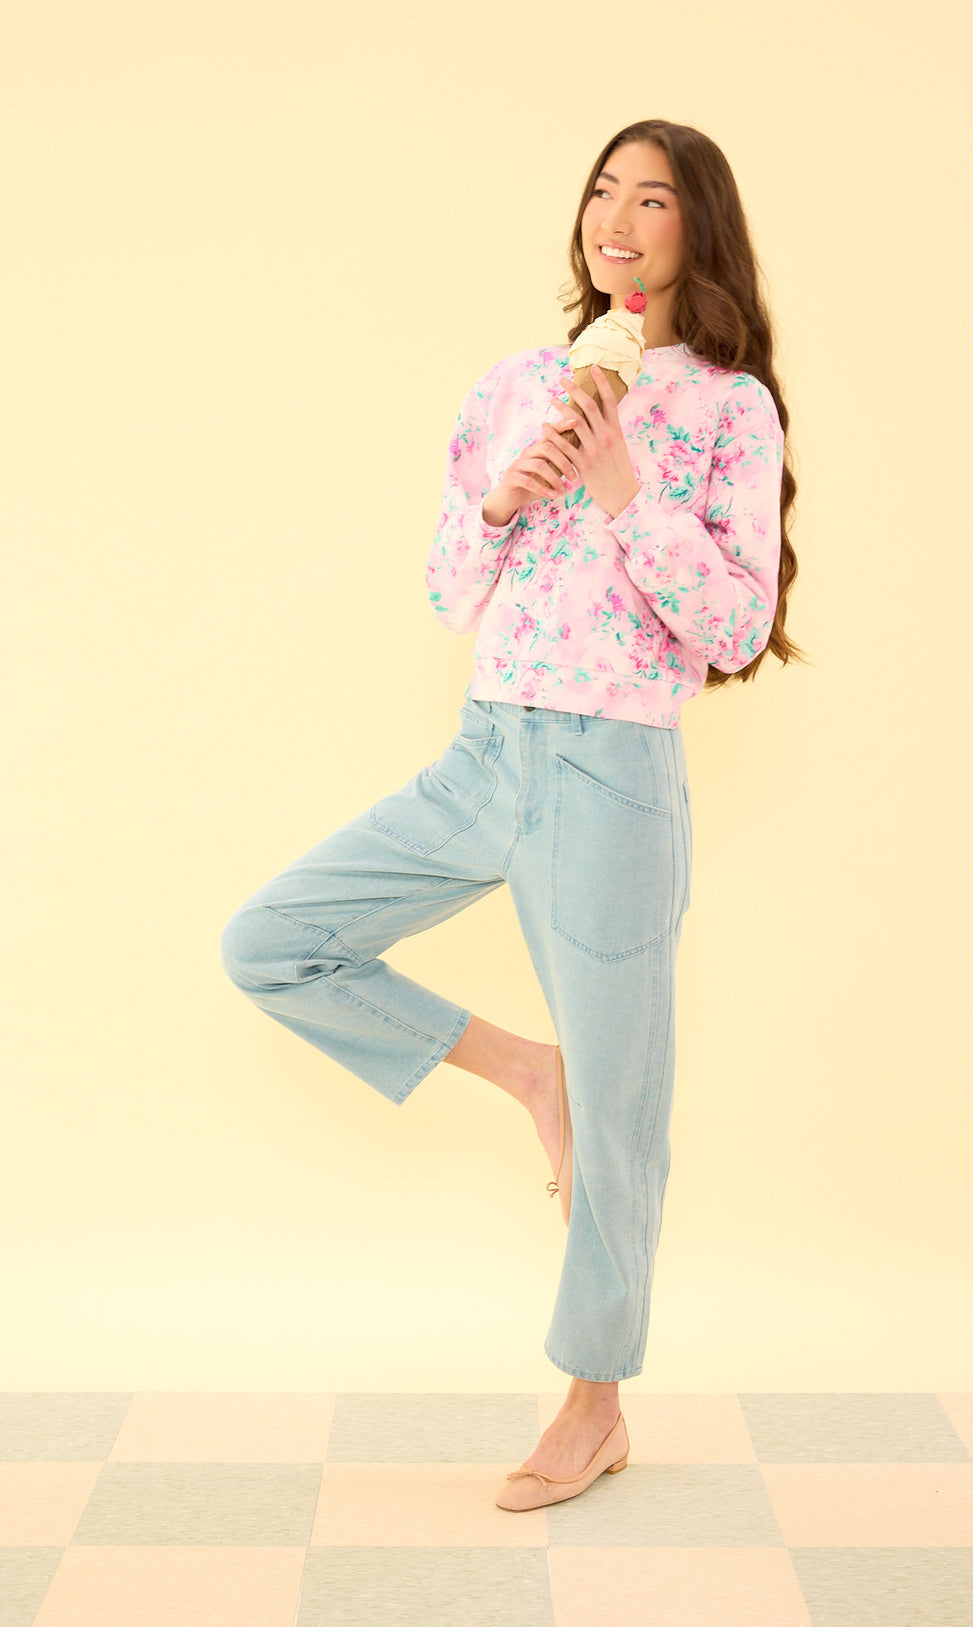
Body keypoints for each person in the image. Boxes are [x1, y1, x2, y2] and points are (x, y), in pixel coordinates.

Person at [220, 118, 803, 1511]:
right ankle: (519, 1071)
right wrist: (498, 502)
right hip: (490, 747)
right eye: (603, 191)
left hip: (613, 770)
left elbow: (731, 624)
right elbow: (443, 588)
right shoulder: (513, 382)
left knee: (622, 1111)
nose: (617, 217)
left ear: (692, 230)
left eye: (651, 199)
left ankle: (592, 1402)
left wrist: (620, 490)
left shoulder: (728, 406)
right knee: (271, 941)